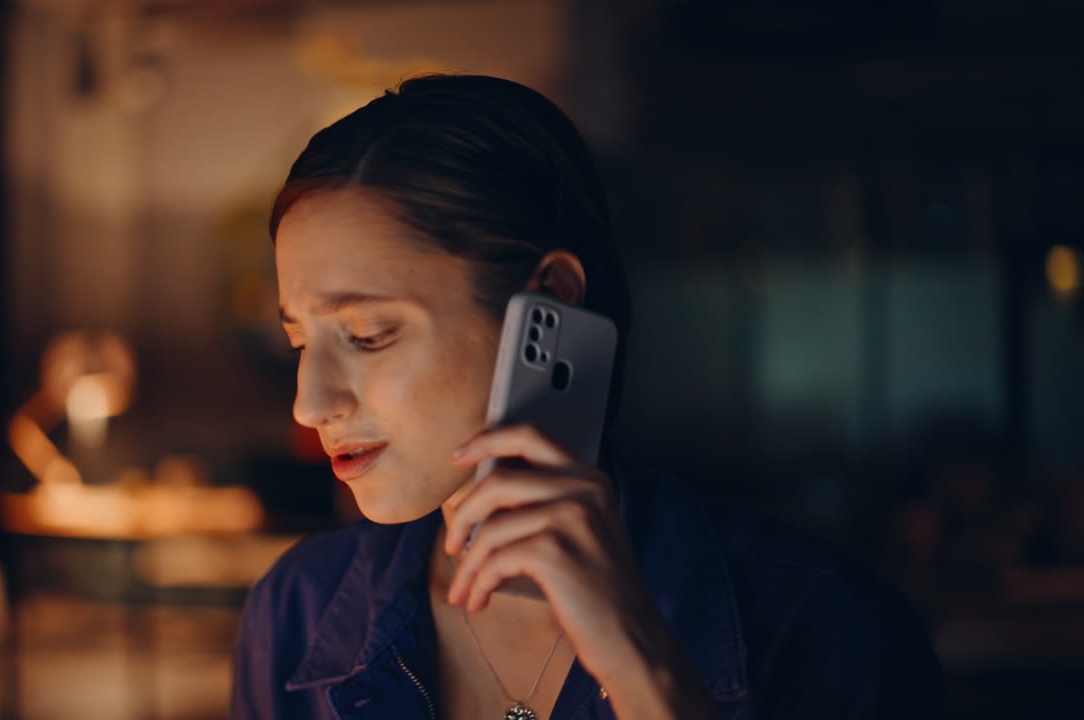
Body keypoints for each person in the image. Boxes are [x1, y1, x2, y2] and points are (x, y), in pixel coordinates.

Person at [230, 74, 943, 720]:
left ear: (550, 300)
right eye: (299, 343)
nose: (308, 405)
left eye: (369, 334)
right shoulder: (296, 614)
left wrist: (643, 665)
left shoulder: (828, 626)